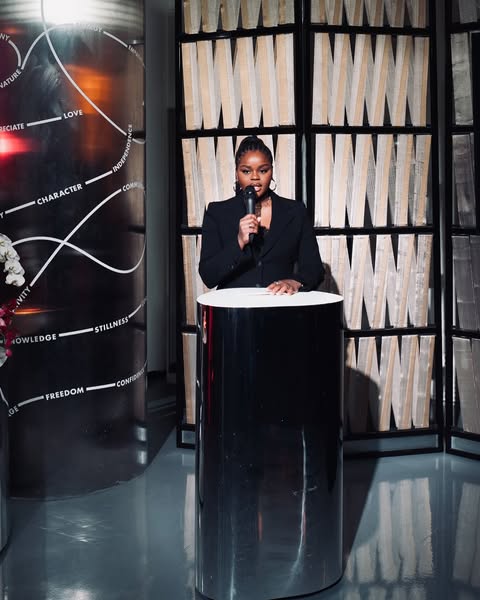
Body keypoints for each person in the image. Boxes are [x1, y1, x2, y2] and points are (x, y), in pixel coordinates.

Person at [198, 136, 324, 294]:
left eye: (263, 170)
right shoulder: (217, 213)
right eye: (246, 171)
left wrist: (295, 281)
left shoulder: (295, 211)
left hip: (278, 305)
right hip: (234, 307)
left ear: (271, 171)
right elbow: (208, 276)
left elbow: (314, 269)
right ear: (236, 173)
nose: (255, 177)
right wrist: (239, 242)